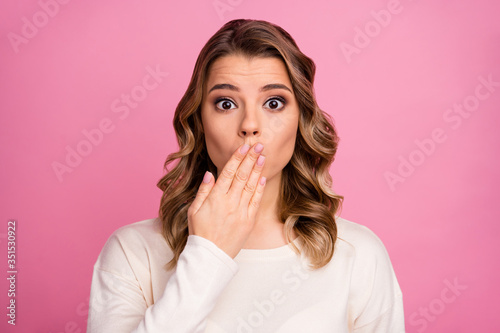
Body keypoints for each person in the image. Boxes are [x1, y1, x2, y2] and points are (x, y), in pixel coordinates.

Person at [87, 19, 404, 332]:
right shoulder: (133, 252)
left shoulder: (357, 254)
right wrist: (207, 255)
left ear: (300, 120)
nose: (250, 125)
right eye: (226, 103)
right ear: (199, 122)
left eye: (273, 102)